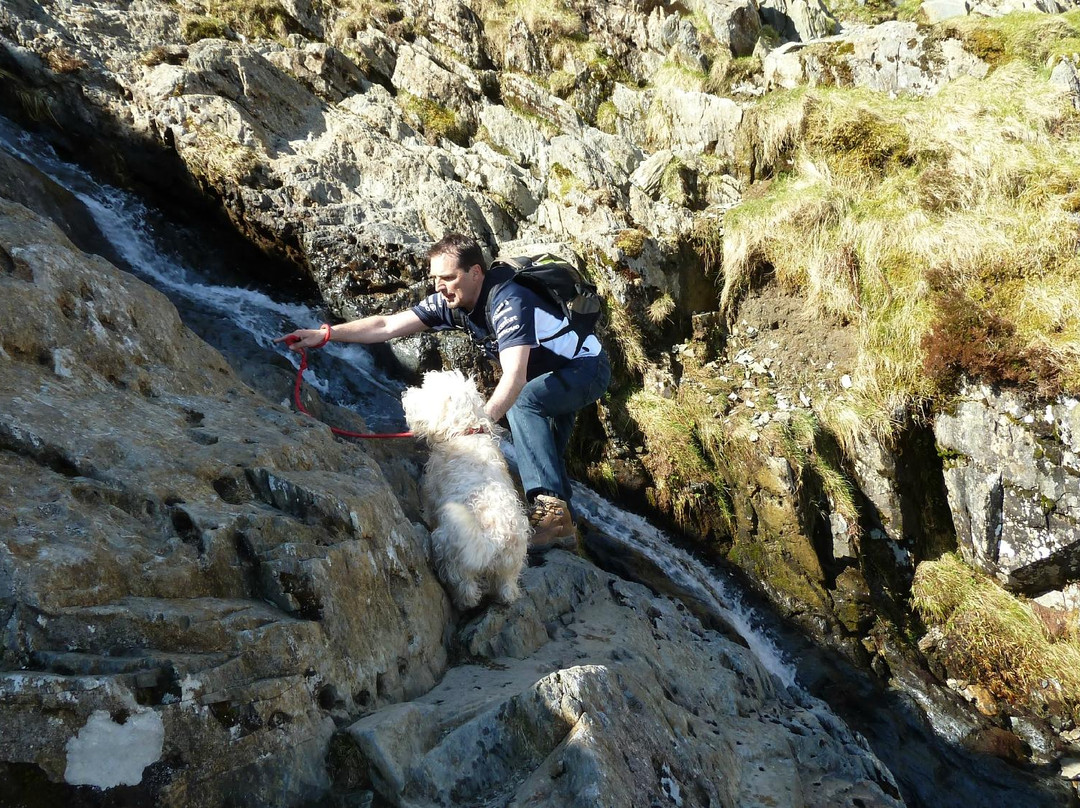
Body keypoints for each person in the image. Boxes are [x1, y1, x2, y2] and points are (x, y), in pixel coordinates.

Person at [277, 233, 610, 552]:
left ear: (475, 272)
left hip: (585, 368)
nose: (439, 286)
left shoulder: (510, 301)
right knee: (546, 451)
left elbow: (515, 377)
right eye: (435, 278)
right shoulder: (450, 302)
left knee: (524, 404)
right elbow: (386, 326)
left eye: (448, 277)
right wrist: (326, 334)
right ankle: (562, 529)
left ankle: (551, 516)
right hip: (550, 375)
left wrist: (479, 424)